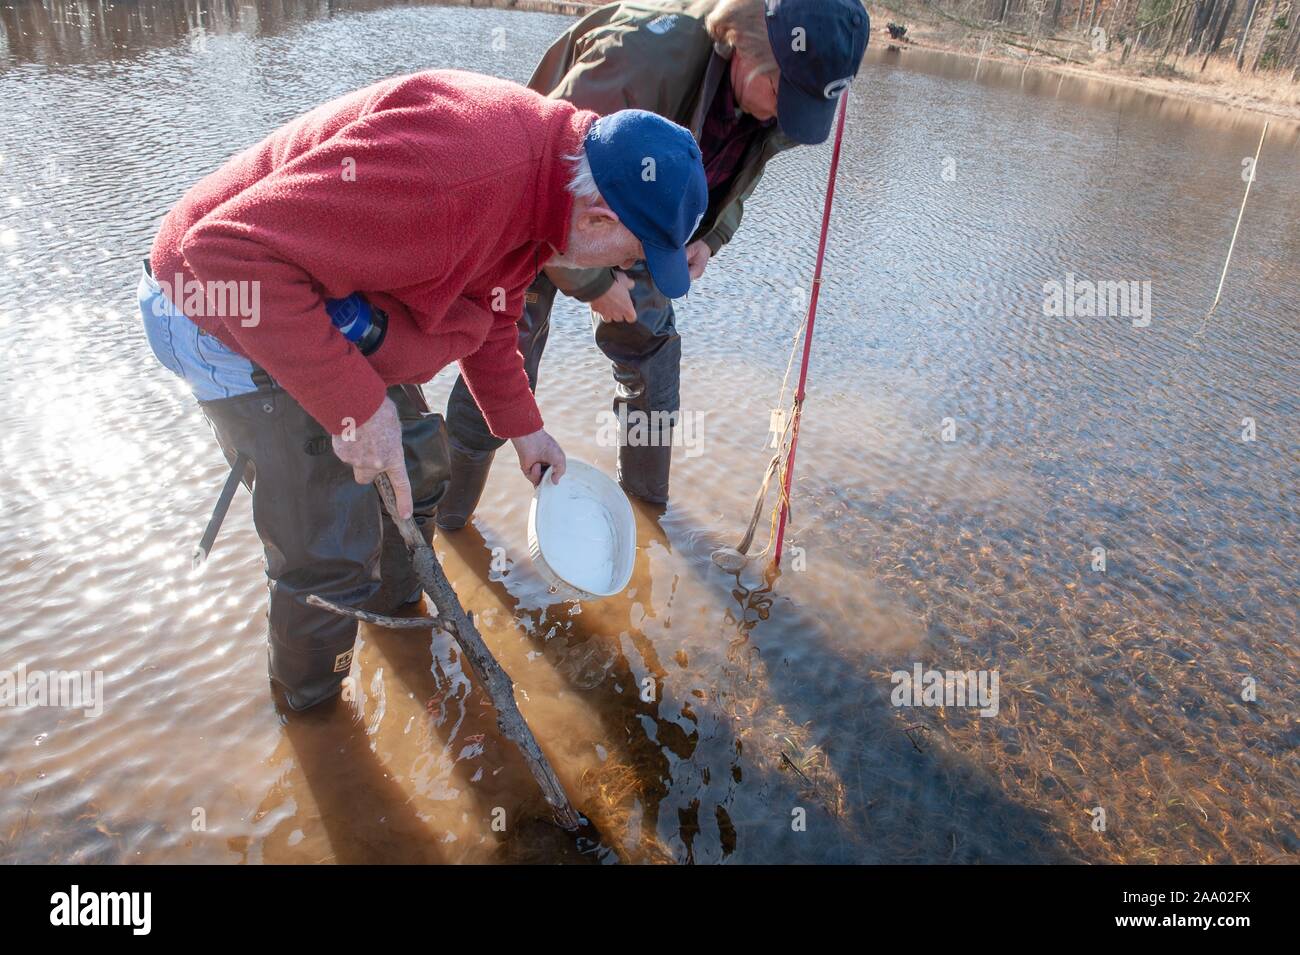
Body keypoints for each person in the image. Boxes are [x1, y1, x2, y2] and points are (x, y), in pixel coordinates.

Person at [138, 68, 708, 710]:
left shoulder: (551, 178)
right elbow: (219, 256)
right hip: (214, 307)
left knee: (421, 468)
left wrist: (523, 427)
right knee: (329, 551)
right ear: (601, 216)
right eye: (633, 257)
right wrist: (357, 408)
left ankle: (399, 626)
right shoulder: (453, 177)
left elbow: (494, 310)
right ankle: (314, 717)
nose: (627, 272)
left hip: (319, 297)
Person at [438, 0, 870, 527]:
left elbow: (744, 163)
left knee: (653, 353)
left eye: (802, 109)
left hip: (646, 221)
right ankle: (447, 523)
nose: (785, 117)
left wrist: (710, 236)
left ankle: (643, 517)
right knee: (505, 343)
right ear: (746, 44)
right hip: (547, 205)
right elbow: (546, 178)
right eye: (783, 96)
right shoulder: (644, 58)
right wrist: (595, 281)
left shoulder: (779, 99)